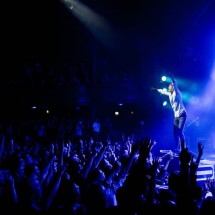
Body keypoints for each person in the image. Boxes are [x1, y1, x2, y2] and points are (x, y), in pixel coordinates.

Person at [151, 73, 187, 152]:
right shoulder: (169, 94)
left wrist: (172, 77)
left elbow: (175, 83)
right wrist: (155, 89)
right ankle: (177, 148)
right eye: (168, 87)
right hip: (176, 116)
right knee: (175, 132)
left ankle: (183, 148)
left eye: (170, 86)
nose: (168, 87)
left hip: (182, 114)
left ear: (173, 87)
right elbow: (162, 91)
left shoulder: (177, 92)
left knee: (180, 131)